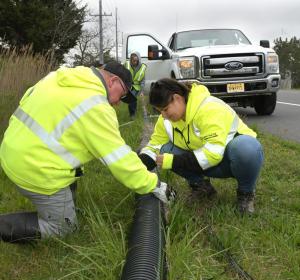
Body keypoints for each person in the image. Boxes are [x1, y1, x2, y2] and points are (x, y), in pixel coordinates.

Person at [0, 61, 169, 243]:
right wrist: (154, 185)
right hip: (35, 169)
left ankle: (62, 207)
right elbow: (120, 160)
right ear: (112, 81)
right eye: (122, 95)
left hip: (12, 152)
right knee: (64, 229)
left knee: (71, 172)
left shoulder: (59, 77)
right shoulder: (95, 105)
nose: (117, 103)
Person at [138, 78, 264, 214]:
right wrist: (138, 167)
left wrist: (172, 161)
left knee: (247, 148)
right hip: (201, 162)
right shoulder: (166, 120)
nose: (163, 115)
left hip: (229, 160)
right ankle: (202, 188)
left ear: (177, 98)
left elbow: (213, 154)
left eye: (165, 109)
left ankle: (245, 193)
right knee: (164, 148)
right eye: (159, 111)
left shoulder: (208, 109)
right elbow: (155, 145)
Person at [124, 51, 147, 118]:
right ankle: (132, 112)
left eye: (135, 61)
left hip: (137, 87)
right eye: (132, 60)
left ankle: (132, 114)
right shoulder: (127, 64)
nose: (134, 62)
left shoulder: (142, 67)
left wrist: (142, 90)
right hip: (128, 85)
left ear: (138, 60)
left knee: (132, 98)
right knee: (130, 100)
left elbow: (143, 80)